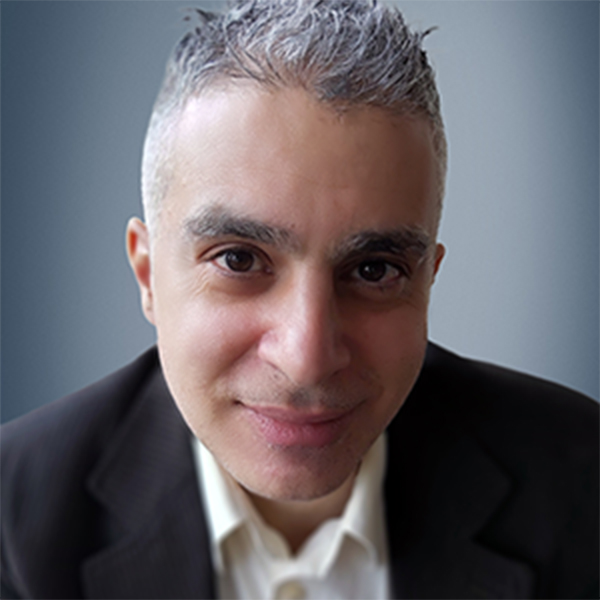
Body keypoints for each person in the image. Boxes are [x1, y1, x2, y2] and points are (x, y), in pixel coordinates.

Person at [1, 1, 597, 598]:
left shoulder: (584, 485)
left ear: (427, 281)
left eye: (374, 270)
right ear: (148, 274)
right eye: (239, 260)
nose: (306, 358)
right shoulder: (12, 522)